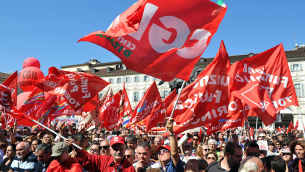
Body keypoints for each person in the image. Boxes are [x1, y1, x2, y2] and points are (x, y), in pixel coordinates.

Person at [65, 136, 135, 172]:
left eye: (121, 149)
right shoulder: (102, 160)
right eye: (115, 149)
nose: (118, 151)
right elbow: (87, 158)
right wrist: (76, 147)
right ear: (110, 151)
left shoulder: (130, 169)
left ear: (125, 149)